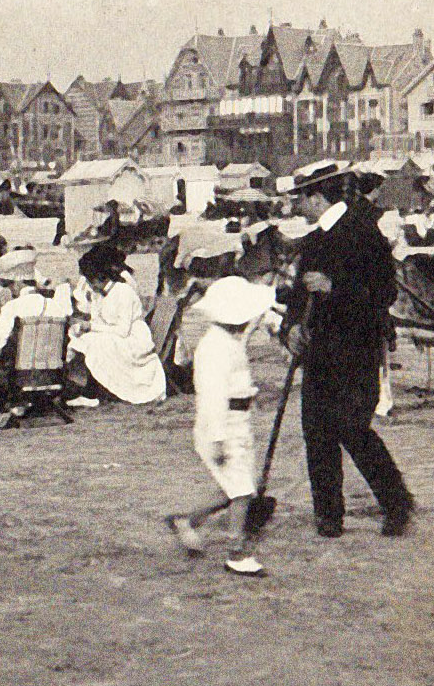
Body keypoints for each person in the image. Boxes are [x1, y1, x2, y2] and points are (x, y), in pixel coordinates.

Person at [283, 161, 414, 538]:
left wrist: (333, 287)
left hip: (356, 349)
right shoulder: (314, 240)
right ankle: (328, 514)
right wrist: (290, 328)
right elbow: (297, 294)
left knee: (353, 429)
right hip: (319, 352)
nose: (297, 207)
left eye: (301, 198)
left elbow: (384, 294)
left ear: (318, 197)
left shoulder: (363, 233)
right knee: (316, 431)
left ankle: (396, 503)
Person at [164, 276, 279, 577]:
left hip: (237, 421)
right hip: (222, 425)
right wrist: (217, 439)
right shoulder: (214, 349)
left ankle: (186, 521)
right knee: (241, 491)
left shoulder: (229, 339)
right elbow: (212, 399)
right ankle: (236, 551)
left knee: (234, 488)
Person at [66, 243, 166, 407]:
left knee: (95, 342)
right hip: (117, 334)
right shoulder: (100, 295)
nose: (89, 286)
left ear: (98, 279)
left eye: (90, 282)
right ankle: (88, 389)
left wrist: (91, 328)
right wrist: (86, 326)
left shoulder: (123, 292)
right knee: (84, 339)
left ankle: (91, 393)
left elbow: (123, 330)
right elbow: (99, 321)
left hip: (134, 338)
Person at [0, 250, 50, 427]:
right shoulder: (53, 304)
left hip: (18, 372)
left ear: (18, 283)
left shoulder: (13, 307)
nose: (11, 290)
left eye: (11, 285)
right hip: (50, 371)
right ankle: (22, 404)